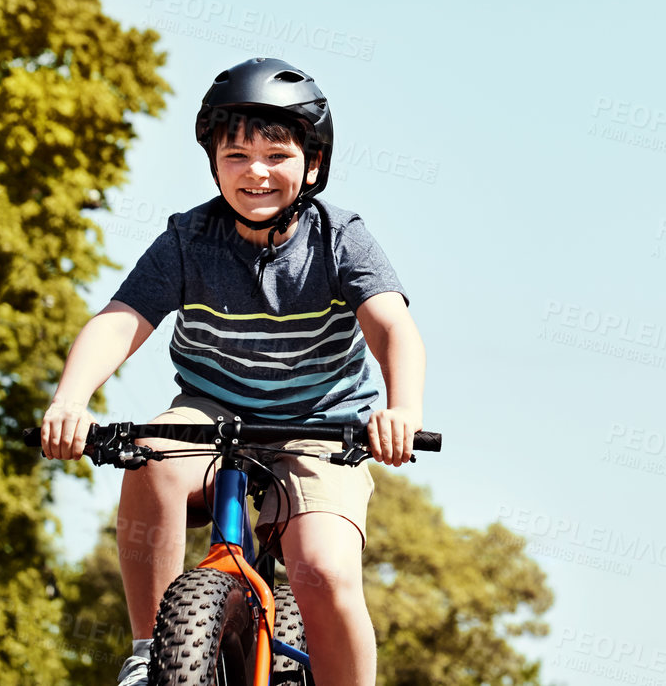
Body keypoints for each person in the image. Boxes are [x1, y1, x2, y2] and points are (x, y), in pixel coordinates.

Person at [38, 57, 426, 686]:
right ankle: (148, 651)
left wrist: (402, 408)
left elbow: (391, 325)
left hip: (320, 424)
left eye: (276, 154)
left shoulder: (339, 238)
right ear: (214, 163)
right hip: (212, 414)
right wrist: (70, 400)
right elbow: (119, 320)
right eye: (237, 155)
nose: (256, 172)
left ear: (314, 165)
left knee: (323, 573)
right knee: (151, 455)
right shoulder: (188, 239)